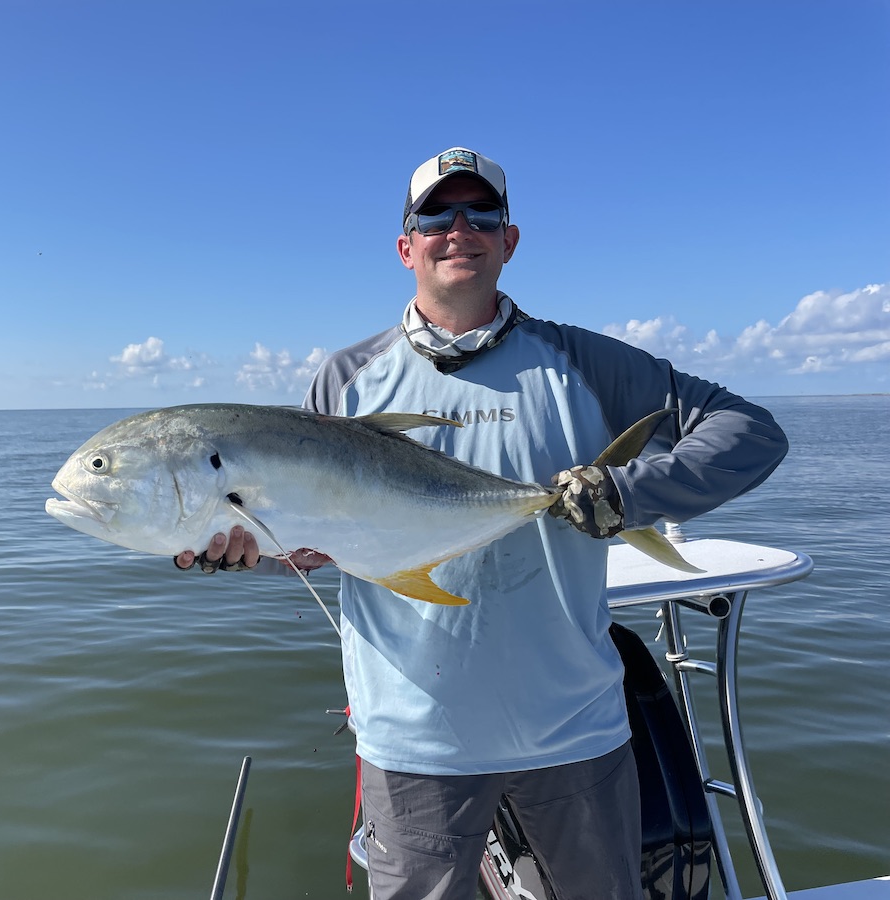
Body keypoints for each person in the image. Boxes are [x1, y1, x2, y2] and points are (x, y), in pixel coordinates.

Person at [177, 147, 788, 899]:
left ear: (510, 240)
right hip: (413, 740)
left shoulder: (585, 363)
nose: (458, 228)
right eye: (435, 215)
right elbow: (314, 537)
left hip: (576, 731)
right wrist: (243, 552)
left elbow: (749, 430)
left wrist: (632, 493)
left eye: (482, 214)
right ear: (407, 247)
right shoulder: (345, 380)